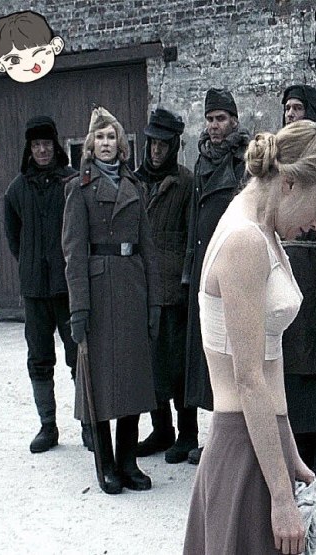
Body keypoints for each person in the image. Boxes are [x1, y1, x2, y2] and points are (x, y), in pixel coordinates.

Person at [183, 120, 316, 554]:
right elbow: (250, 379)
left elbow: (272, 363)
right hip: (242, 445)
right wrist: (281, 499)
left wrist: (290, 454)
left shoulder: (263, 231)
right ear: (289, 184)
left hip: (261, 439)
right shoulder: (245, 242)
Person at [62, 106, 160, 494]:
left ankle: (128, 461)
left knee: (133, 380)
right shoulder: (79, 189)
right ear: (90, 144)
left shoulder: (135, 186)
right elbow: (73, 253)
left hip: (132, 286)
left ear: (121, 144)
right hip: (98, 292)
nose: (106, 143)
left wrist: (154, 303)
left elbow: (148, 248)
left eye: (112, 137)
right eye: (100, 137)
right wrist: (78, 309)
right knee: (100, 382)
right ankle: (106, 464)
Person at [3, 115, 80, 453]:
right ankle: (48, 426)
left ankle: (89, 424)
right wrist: (31, 264)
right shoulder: (16, 190)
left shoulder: (71, 182)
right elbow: (13, 238)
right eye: (36, 145)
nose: (42, 150)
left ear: (55, 145)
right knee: (39, 358)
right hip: (35, 290)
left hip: (67, 288)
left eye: (47, 144)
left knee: (79, 356)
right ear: (29, 149)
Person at [183, 88, 250, 464]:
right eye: (210, 119)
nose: (214, 126)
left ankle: (238, 440)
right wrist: (189, 270)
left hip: (232, 268)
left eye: (221, 119)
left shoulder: (244, 161)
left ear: (234, 121)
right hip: (204, 269)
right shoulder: (202, 161)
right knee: (210, 355)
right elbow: (195, 219)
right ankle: (218, 437)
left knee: (234, 353)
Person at [278, 84, 316, 484]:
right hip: (285, 269)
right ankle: (294, 449)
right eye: (287, 109)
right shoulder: (279, 161)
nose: (290, 115)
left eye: (298, 109)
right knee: (289, 369)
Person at [133, 108, 196, 464]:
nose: (156, 150)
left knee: (179, 366)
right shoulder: (135, 180)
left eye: (163, 144)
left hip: (174, 290)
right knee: (150, 364)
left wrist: (186, 281)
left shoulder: (185, 182)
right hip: (142, 287)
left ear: (173, 146)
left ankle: (187, 433)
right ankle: (162, 429)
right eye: (152, 143)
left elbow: (191, 238)